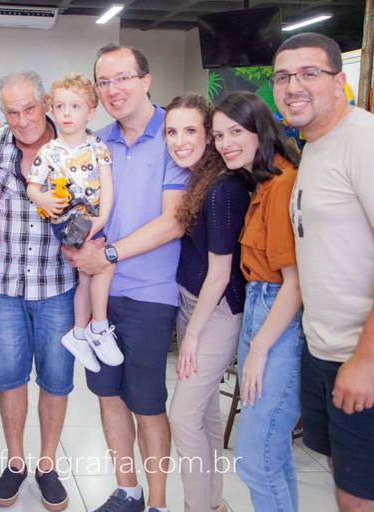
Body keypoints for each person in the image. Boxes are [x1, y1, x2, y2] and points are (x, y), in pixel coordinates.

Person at [273, 33, 374, 511]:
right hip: (327, 352)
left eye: (309, 73)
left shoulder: (370, 142)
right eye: (283, 76)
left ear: (338, 82)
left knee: (362, 501)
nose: (294, 86)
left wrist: (368, 358)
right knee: (346, 483)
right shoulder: (316, 145)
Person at [64, 44, 189, 512]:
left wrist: (109, 254)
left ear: (145, 80)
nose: (113, 89)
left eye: (123, 78)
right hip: (99, 294)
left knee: (147, 403)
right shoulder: (95, 142)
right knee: (107, 396)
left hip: (150, 294)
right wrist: (74, 244)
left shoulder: (175, 136)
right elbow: (78, 207)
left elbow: (173, 221)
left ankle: (157, 503)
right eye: (104, 81)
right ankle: (127, 491)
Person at [0, 71, 76, 511]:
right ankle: (16, 462)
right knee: (9, 378)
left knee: (56, 380)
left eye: (28, 108)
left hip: (57, 285)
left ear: (45, 103)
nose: (22, 120)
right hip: (5, 285)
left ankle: (47, 465)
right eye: (11, 112)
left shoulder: (74, 146)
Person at [212, 90, 303, 511]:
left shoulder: (282, 185)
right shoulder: (263, 182)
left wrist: (259, 350)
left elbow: (294, 284)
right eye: (219, 135)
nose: (225, 143)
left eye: (235, 132)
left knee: (256, 459)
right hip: (260, 307)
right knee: (274, 456)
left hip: (276, 318)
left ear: (259, 130)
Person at [165, 94, 251, 512]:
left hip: (215, 312)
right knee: (204, 415)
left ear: (208, 136)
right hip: (193, 304)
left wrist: (193, 336)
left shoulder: (221, 189)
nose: (179, 141)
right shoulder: (200, 178)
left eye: (190, 131)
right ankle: (214, 503)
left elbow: (220, 274)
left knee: (183, 416)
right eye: (171, 132)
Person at [26, 72, 119, 373]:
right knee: (105, 264)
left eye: (75, 107)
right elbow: (32, 187)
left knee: (88, 274)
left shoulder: (97, 146)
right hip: (68, 220)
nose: (67, 113)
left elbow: (108, 186)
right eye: (60, 107)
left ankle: (79, 332)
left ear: (90, 112)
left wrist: (102, 218)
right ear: (53, 110)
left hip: (93, 218)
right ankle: (98, 326)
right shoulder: (49, 151)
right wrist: (43, 199)